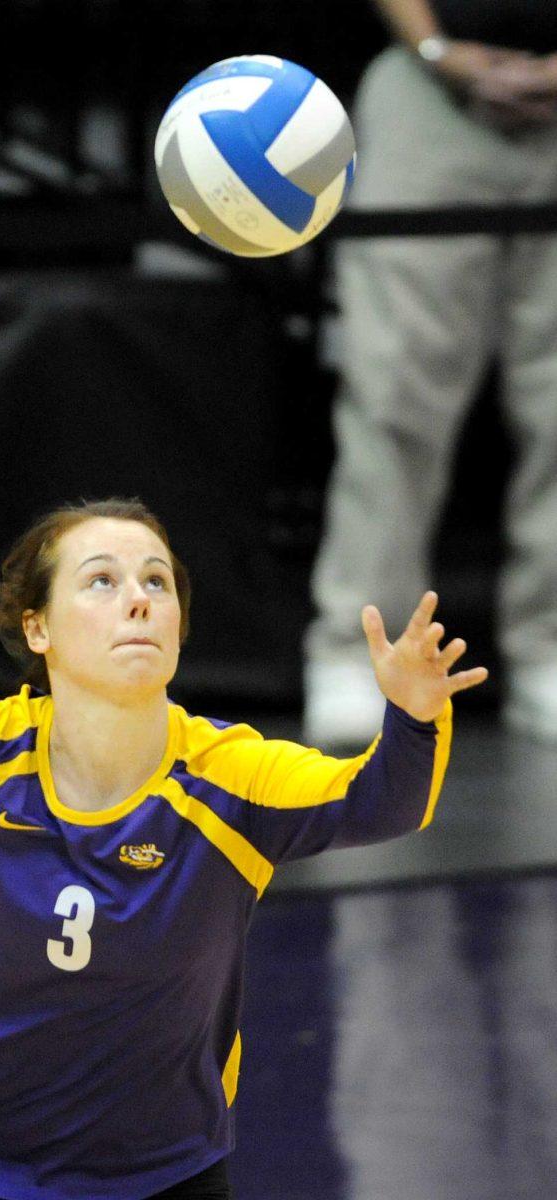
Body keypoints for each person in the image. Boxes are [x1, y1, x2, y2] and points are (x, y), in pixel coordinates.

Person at [0, 415, 487, 1199]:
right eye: (102, 580)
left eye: (156, 582)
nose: (138, 601)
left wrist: (414, 716)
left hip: (165, 1179)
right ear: (38, 627)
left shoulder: (232, 778)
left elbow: (382, 805)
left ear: (180, 629)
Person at [303, 0, 557, 748]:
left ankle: (548, 646)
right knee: (394, 392)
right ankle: (358, 650)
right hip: (430, 91)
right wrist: (438, 48)